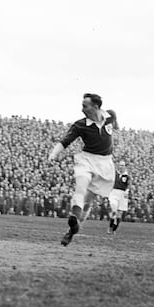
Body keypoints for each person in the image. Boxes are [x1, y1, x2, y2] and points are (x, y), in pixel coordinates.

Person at [49, 93, 118, 246]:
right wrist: (53, 154)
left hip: (105, 164)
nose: (82, 109)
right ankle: (74, 216)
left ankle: (72, 231)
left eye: (84, 106)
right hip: (87, 159)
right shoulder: (80, 125)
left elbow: (114, 118)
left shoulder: (110, 117)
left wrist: (116, 125)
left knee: (88, 202)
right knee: (81, 186)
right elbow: (65, 141)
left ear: (95, 106)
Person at [107, 159, 130, 234]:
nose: (121, 167)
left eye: (123, 165)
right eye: (120, 165)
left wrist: (127, 191)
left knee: (119, 214)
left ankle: (114, 230)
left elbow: (129, 185)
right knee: (114, 211)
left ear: (125, 167)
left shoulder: (127, 176)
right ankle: (110, 227)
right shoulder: (114, 174)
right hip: (114, 193)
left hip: (123, 194)